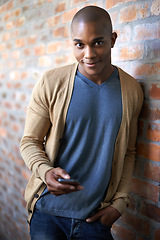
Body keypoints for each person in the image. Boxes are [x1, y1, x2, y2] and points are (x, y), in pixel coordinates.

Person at [20, 5, 143, 240]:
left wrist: (120, 203)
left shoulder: (131, 91)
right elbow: (30, 141)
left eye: (98, 42)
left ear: (113, 39)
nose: (89, 54)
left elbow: (129, 151)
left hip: (95, 218)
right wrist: (45, 172)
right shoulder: (51, 83)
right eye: (80, 45)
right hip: (48, 213)